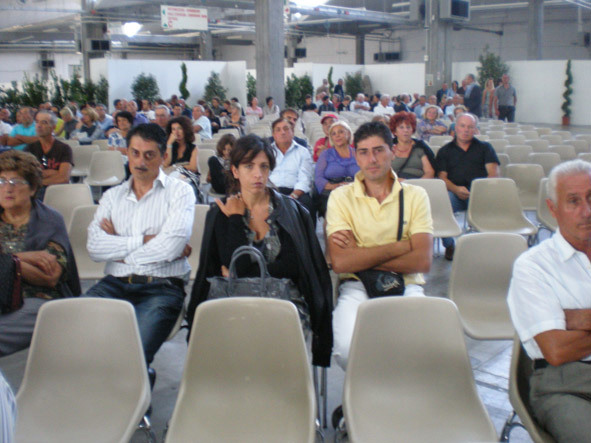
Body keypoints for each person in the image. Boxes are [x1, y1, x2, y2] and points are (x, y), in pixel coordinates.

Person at [187, 134, 333, 367]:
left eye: (264, 166)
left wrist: (241, 271)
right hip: (234, 301)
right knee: (232, 346)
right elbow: (233, 265)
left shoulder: (289, 211)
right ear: (235, 171)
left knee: (263, 346)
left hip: (284, 302)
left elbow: (292, 267)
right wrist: (236, 219)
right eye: (249, 166)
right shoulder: (223, 213)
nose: (258, 174)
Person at [85, 123, 195, 366]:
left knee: (132, 357)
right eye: (135, 153)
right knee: (76, 337)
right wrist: (145, 241)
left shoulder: (180, 192)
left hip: (161, 288)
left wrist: (118, 247)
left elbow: (170, 248)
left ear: (163, 157)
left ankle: (139, 387)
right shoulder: (112, 196)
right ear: (127, 153)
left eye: (149, 155)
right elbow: (94, 247)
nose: (140, 162)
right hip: (114, 284)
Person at [326, 121, 433, 372]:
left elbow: (422, 261)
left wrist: (360, 254)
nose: (372, 159)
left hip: (406, 284)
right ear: (356, 156)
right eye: (364, 152)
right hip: (357, 284)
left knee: (417, 347)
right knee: (346, 348)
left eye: (378, 150)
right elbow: (341, 262)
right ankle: (368, 387)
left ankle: (393, 387)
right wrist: (401, 247)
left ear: (392, 151)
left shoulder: (415, 195)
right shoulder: (341, 197)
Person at [507, 159, 591, 442]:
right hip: (563, 385)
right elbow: (556, 350)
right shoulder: (533, 266)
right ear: (553, 209)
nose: (587, 211)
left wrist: (577, 318)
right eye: (574, 201)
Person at [0, 150, 80, 357]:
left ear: (33, 188)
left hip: (36, 298)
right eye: (1, 181)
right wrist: (19, 260)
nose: (7, 188)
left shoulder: (50, 220)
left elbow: (50, 276)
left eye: (16, 181)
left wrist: (8, 264)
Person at [436, 113, 499, 260]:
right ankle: (449, 245)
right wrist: (456, 189)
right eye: (462, 126)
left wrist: (477, 192)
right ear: (455, 128)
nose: (466, 130)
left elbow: (493, 174)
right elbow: (442, 178)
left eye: (470, 127)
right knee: (441, 208)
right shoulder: (445, 151)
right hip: (454, 192)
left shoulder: (485, 148)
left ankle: (480, 246)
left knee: (488, 211)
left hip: (479, 193)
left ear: (475, 129)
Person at [269, 117, 314, 217]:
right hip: (272, 192)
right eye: (278, 130)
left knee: (307, 205)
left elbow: (305, 179)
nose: (282, 132)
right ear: (273, 135)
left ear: (292, 132)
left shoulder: (303, 152)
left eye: (286, 129)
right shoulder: (267, 152)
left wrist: (292, 197)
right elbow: (264, 177)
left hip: (296, 192)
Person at [314, 121, 359, 219]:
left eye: (341, 132)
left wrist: (353, 186)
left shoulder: (358, 154)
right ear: (331, 138)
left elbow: (365, 175)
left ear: (348, 134)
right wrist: (336, 186)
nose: (337, 135)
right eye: (333, 134)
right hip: (331, 191)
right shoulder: (325, 154)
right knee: (335, 212)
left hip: (355, 190)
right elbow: (318, 178)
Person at [24, 111, 73, 195]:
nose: (39, 125)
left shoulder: (64, 148)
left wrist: (39, 180)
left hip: (58, 191)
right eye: (37, 122)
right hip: (36, 192)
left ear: (53, 127)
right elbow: (27, 176)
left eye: (44, 122)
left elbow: (64, 178)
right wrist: (54, 173)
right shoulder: (29, 149)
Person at [390, 111, 436, 180]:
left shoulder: (420, 148)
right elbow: (382, 172)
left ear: (412, 130)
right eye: (401, 127)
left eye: (408, 127)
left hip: (418, 183)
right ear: (394, 131)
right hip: (394, 183)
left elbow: (430, 172)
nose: (406, 130)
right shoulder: (389, 148)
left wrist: (415, 184)